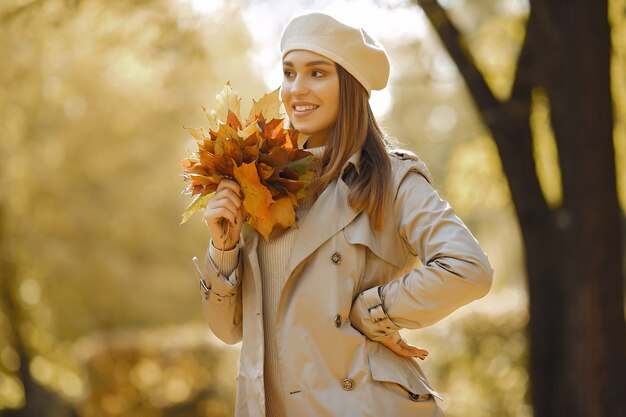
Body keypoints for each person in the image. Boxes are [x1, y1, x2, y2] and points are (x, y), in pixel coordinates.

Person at [193, 12, 493, 417]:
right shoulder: (260, 183)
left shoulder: (392, 179)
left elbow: (468, 267)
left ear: (349, 85)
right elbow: (228, 330)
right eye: (289, 73)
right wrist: (223, 247)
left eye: (317, 73)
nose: (297, 89)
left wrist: (375, 311)